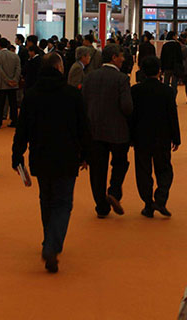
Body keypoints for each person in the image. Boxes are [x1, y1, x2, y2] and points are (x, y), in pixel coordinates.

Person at [12, 52, 89, 274]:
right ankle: (52, 245)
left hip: (40, 155)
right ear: (59, 68)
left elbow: (22, 129)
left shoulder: (32, 95)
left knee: (46, 200)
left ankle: (49, 240)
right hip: (67, 156)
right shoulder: (72, 95)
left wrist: (17, 155)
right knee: (63, 203)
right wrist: (86, 154)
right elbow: (83, 128)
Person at [82, 44, 133, 218]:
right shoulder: (122, 79)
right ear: (114, 58)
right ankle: (114, 191)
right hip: (118, 131)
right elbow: (127, 107)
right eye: (121, 56)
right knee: (120, 163)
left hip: (94, 130)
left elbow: (83, 103)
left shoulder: (90, 77)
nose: (123, 59)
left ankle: (101, 206)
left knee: (97, 170)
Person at [131, 56, 181, 217]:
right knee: (165, 170)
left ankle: (148, 204)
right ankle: (160, 199)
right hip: (162, 137)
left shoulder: (135, 91)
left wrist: (130, 136)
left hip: (141, 136)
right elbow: (172, 115)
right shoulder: (167, 91)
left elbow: (131, 116)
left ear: (142, 71)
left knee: (143, 171)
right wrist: (176, 138)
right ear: (159, 71)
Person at [0, 37, 21, 129]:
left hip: (1, 84)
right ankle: (14, 121)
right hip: (13, 84)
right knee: (13, 104)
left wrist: (7, 80)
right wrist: (14, 80)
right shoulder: (15, 56)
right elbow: (18, 69)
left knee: (0, 105)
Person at [160, 31, 183, 98]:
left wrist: (162, 68)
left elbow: (162, 57)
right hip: (175, 67)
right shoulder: (177, 45)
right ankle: (173, 98)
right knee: (174, 84)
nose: (176, 37)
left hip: (167, 67)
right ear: (173, 36)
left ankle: (165, 98)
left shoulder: (165, 45)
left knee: (166, 83)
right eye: (176, 35)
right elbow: (180, 57)